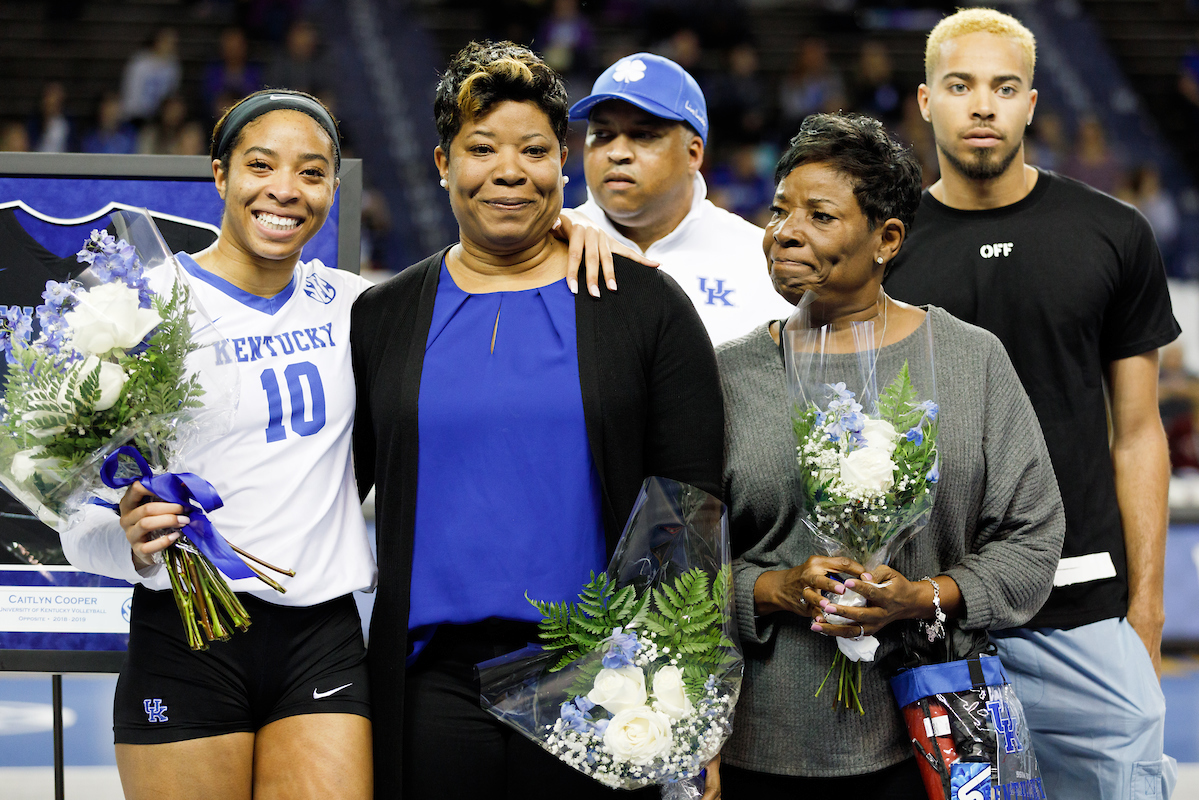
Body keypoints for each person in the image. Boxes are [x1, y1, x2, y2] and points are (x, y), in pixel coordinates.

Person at [350, 40, 725, 799]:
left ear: (563, 163)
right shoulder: (382, 317)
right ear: (442, 164)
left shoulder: (643, 307)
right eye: (481, 148)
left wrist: (688, 692)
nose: (509, 171)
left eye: (534, 150)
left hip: (601, 682)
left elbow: (689, 512)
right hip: (431, 684)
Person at [719, 112, 1065, 797]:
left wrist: (922, 597)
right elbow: (671, 565)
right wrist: (772, 589)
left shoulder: (972, 359)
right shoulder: (724, 375)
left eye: (819, 215)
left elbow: (1033, 538)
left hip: (940, 736)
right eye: (780, 210)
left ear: (888, 239)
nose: (785, 232)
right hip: (768, 744)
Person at [882, 9, 1180, 799]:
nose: (983, 105)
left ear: (1032, 103)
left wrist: (1147, 612)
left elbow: (1138, 433)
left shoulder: (1113, 233)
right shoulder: (884, 247)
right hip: (935, 622)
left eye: (1004, 87)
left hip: (1086, 613)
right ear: (925, 100)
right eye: (961, 86)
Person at [62, 89, 376, 800]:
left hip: (321, 637)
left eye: (312, 172)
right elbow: (74, 521)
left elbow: (479, 273)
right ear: (220, 174)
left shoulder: (357, 305)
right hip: (186, 636)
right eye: (260, 165)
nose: (285, 190)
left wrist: (575, 228)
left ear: (333, 187)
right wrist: (131, 543)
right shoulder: (139, 311)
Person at [568, 52, 794, 345]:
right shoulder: (546, 246)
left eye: (643, 135)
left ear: (693, 153)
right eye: (601, 134)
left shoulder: (758, 259)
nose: (617, 152)